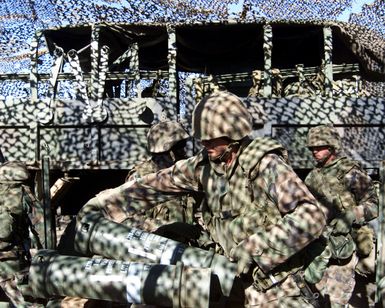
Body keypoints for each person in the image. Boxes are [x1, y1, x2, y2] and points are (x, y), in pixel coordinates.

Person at [78, 90, 326, 307]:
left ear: (233, 133)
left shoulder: (265, 164)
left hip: (273, 286)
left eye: (211, 137)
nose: (204, 143)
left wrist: (254, 249)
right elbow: (159, 183)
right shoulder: (204, 166)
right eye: (202, 137)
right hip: (225, 278)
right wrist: (105, 204)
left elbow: (311, 216)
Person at [303, 124, 378, 307]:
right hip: (318, 249)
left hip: (344, 246)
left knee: (337, 301)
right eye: (312, 148)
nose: (315, 151)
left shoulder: (349, 171)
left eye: (319, 147)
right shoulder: (311, 177)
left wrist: (352, 215)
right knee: (315, 299)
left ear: (331, 147)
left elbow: (375, 204)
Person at [0, 161, 44, 307]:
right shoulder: (23, 192)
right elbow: (41, 226)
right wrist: (45, 254)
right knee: (29, 302)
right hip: (10, 262)